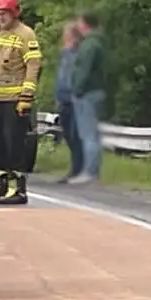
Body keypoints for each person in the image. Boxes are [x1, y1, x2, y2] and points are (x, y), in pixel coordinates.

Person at [0, 0, 42, 206]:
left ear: (14, 13)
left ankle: (17, 190)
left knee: (14, 144)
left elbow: (33, 66)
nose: (1, 18)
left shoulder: (25, 35)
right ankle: (0, 186)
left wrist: (26, 96)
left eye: (4, 13)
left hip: (15, 101)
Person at [67, 10, 109, 185]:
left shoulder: (90, 45)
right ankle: (92, 170)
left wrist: (77, 89)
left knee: (88, 134)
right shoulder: (98, 42)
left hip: (87, 93)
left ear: (85, 23)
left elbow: (84, 69)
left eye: (79, 22)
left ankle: (90, 172)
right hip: (95, 91)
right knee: (92, 133)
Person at [51, 21, 84, 183]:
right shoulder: (65, 54)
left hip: (76, 101)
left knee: (75, 135)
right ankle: (76, 169)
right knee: (68, 135)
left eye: (68, 34)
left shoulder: (80, 54)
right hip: (64, 99)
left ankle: (79, 170)